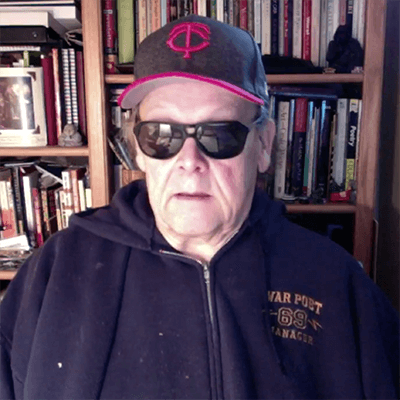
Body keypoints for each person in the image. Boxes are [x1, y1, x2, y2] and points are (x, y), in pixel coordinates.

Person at [0, 15, 399, 400]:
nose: (189, 159)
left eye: (219, 134)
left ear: (263, 145)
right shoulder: (55, 273)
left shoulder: (333, 281)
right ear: (138, 148)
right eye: (161, 135)